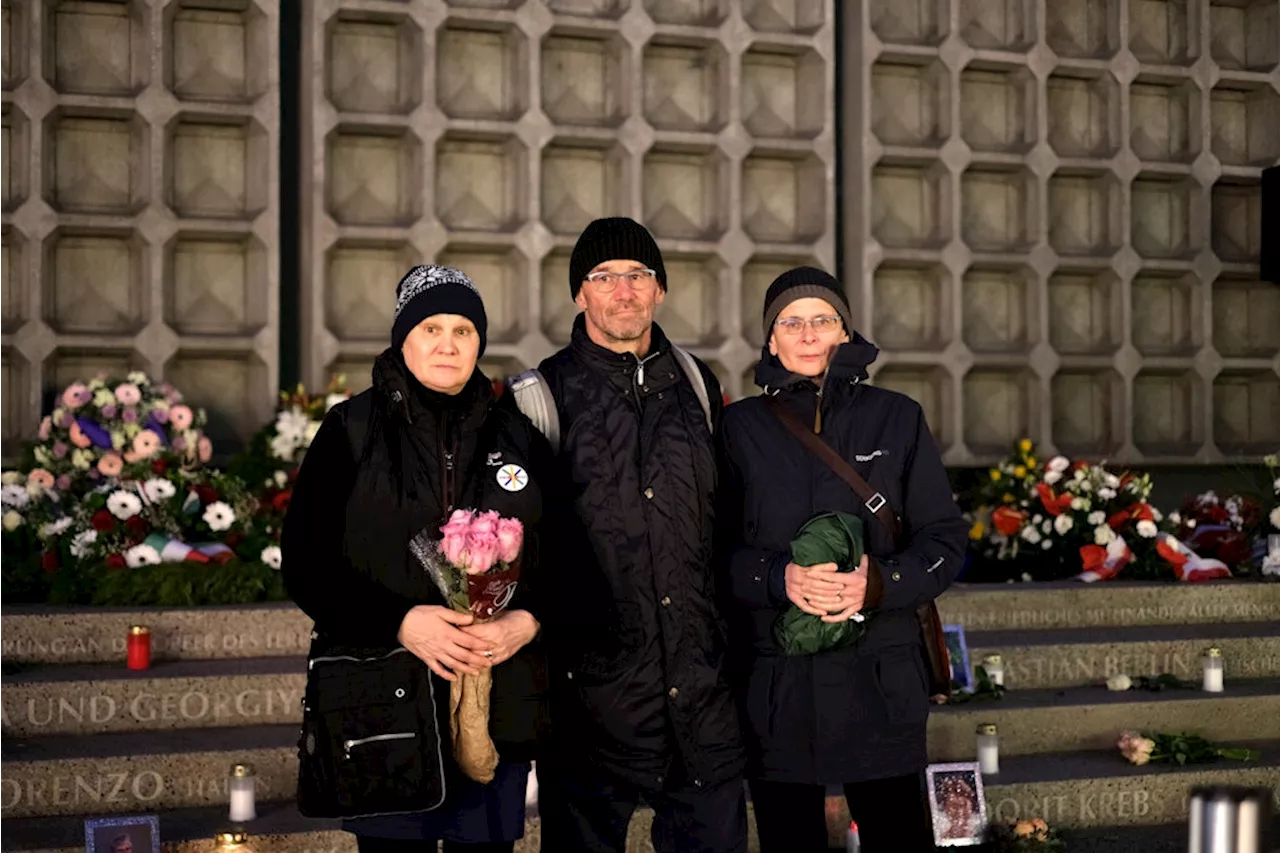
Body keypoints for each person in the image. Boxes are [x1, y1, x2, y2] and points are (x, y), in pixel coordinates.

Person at [282, 264, 553, 853]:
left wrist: (525, 621)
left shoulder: (518, 434)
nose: (448, 344)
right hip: (382, 702)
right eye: (431, 328)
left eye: (463, 330)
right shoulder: (351, 429)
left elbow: (565, 558)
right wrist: (400, 622)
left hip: (494, 705)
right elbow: (305, 564)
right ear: (403, 337)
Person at [719, 266, 969, 851]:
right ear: (770, 339)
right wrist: (777, 576)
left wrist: (878, 582)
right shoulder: (738, 427)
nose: (808, 335)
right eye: (792, 322)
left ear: (846, 333)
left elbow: (944, 540)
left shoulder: (898, 416)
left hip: (880, 680)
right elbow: (712, 553)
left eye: (823, 320)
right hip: (778, 687)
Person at [521, 217, 748, 853]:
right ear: (579, 294)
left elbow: (725, 524)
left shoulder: (698, 385)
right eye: (604, 277)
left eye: (639, 275)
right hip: (592, 705)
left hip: (701, 700)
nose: (624, 291)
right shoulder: (543, 395)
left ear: (660, 290)